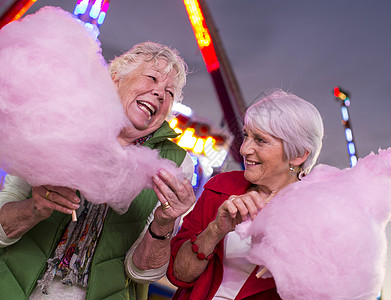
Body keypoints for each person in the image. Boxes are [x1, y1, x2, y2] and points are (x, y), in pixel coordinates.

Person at [0, 41, 196, 300]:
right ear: (116, 78)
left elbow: (143, 274)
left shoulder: (176, 163)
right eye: (152, 78)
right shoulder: (59, 123)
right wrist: (35, 207)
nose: (160, 93)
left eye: (170, 93)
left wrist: (164, 222)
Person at [163, 89, 324, 299]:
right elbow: (178, 274)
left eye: (261, 140)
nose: (244, 149)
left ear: (299, 155)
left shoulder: (317, 218)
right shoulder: (221, 186)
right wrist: (214, 231)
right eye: (246, 135)